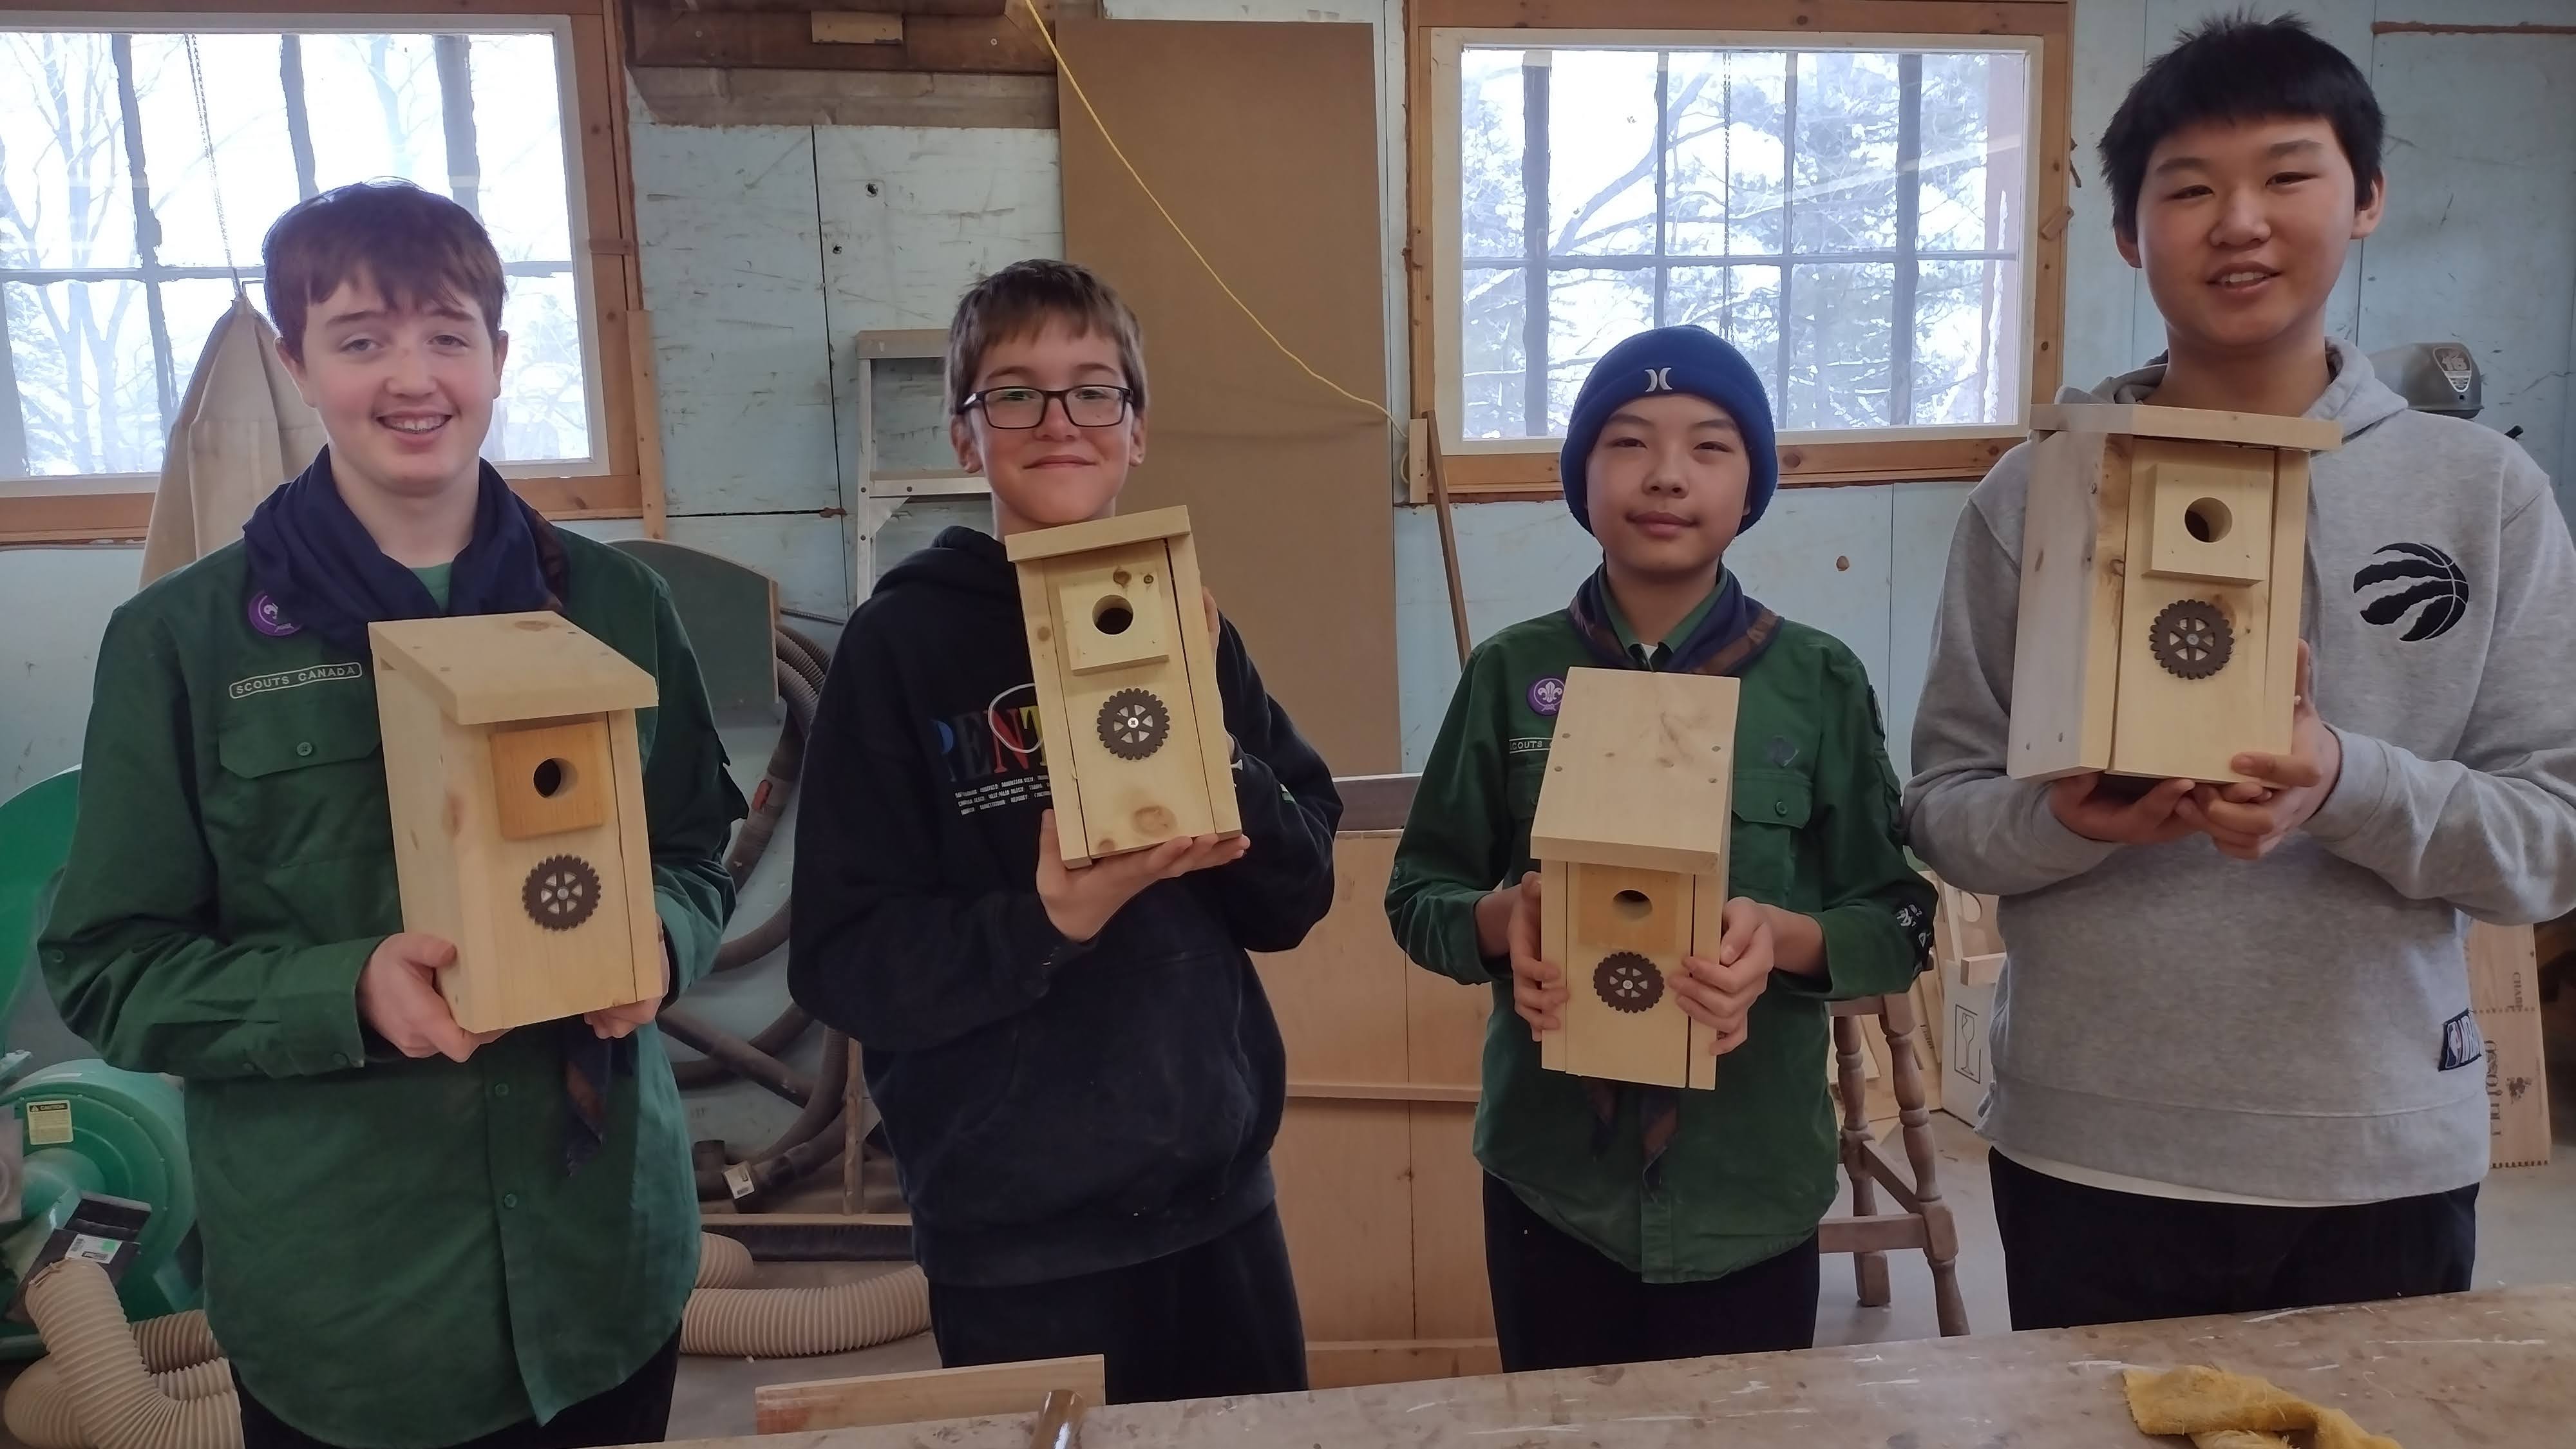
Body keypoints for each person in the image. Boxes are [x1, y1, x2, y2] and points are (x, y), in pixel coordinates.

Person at [39, 180, 744, 1448]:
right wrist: (348, 989)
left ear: (498, 354)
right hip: (353, 1305)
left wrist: (658, 938)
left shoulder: (616, 605)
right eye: (361, 338)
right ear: (296, 356)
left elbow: (694, 845)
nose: (410, 378)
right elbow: (106, 966)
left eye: (446, 335)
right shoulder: (184, 643)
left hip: (605, 1273)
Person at [1906, 13, 2576, 1331]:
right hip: (2086, 1146)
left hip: (2371, 1153)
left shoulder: (2478, 493)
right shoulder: (2033, 495)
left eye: (2284, 175)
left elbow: (2551, 839)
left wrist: (2343, 782)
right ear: (2125, 231)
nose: (2238, 223)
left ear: (2367, 198)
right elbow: (1940, 810)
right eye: (2188, 189)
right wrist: (2060, 822)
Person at [788, 258, 1341, 1403]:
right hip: (1018, 1241)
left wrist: (1217, 750)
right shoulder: (898, 652)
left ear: (1136, 431)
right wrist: (1049, 920)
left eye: (1095, 390)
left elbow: (1296, 891)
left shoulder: (1189, 623)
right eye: (1014, 393)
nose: (1057, 420)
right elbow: (846, 961)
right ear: (962, 433)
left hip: (1220, 1211)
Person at [1383, 325, 1935, 1371]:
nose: (1667, 475)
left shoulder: (1817, 681)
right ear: (1583, 477)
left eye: (1711, 446)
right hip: (1553, 1183)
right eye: (1628, 443)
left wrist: (1784, 938)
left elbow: (1900, 917)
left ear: (1752, 485)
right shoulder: (1511, 675)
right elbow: (1419, 893)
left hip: (1749, 1187)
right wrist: (1506, 921)